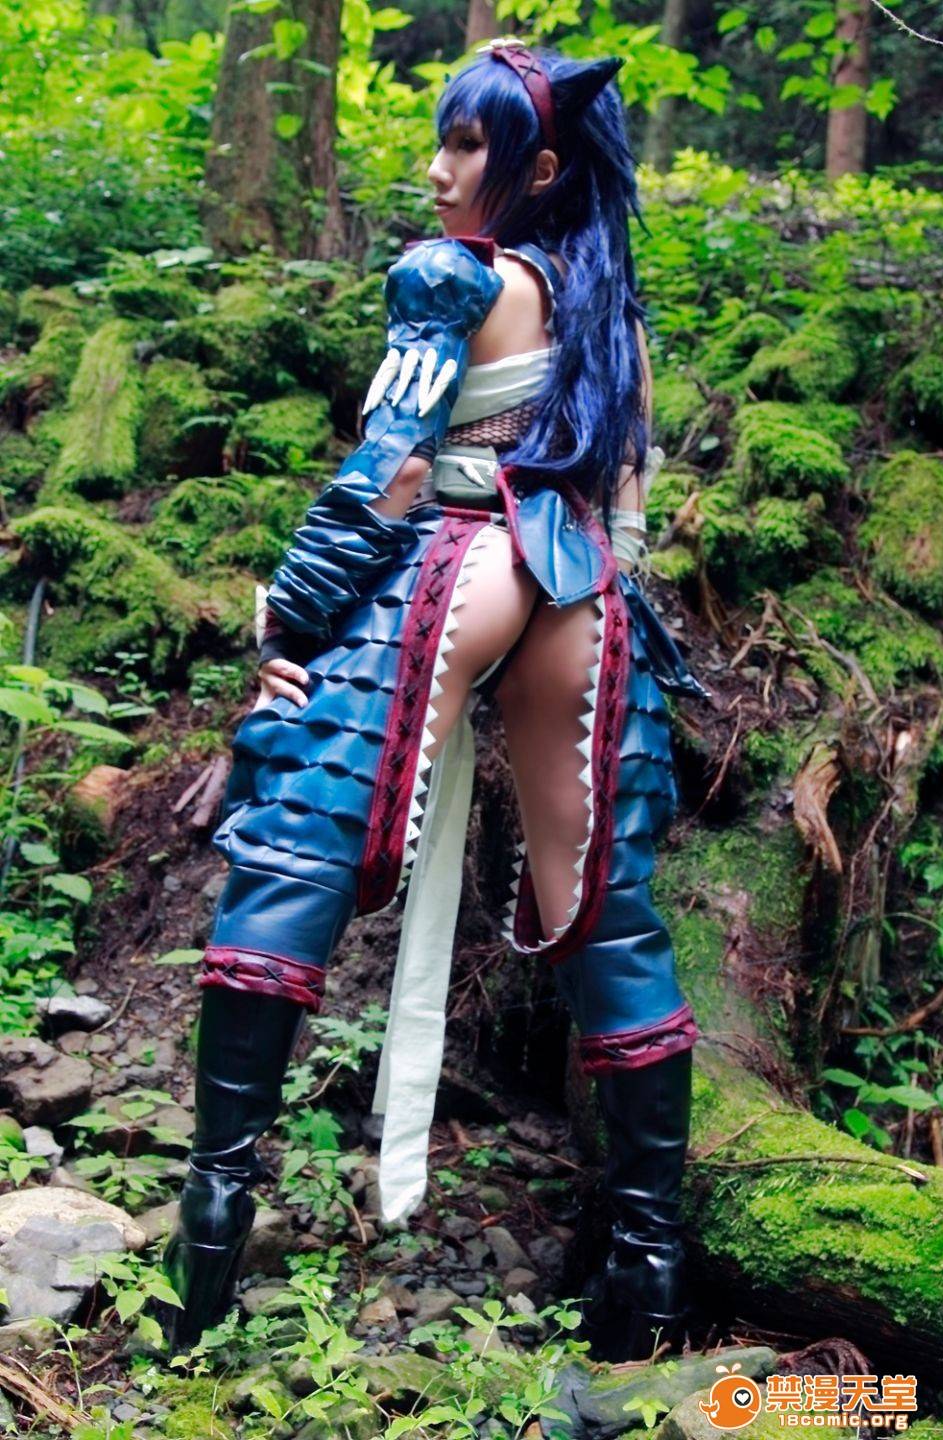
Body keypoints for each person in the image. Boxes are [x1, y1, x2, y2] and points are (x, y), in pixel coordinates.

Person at [162, 38, 709, 1363]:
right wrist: (611, 608)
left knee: (295, 840)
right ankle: (648, 1280)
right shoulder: (613, 314)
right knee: (607, 913)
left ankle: (207, 1256)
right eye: (443, 140)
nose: (438, 168)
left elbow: (386, 471)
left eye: (467, 145)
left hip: (459, 561)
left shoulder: (453, 279)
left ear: (539, 167)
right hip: (582, 587)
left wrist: (290, 624)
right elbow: (626, 511)